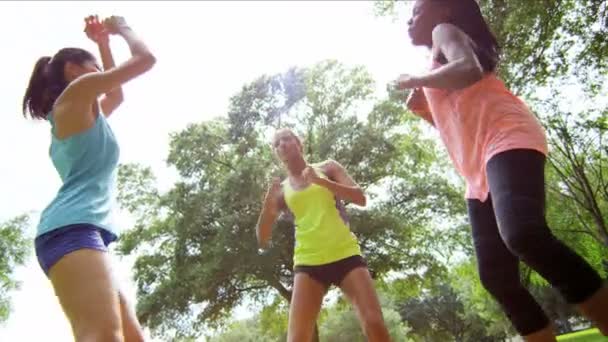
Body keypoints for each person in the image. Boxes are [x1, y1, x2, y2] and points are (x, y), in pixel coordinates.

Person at [395, 0, 608, 340]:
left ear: (444, 11)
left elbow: (470, 69)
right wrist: (424, 109)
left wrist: (417, 80)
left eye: (417, 11)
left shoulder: (444, 32)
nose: (410, 20)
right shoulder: (436, 57)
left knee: (523, 233)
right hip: (478, 167)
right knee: (496, 276)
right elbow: (456, 122)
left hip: (506, 136)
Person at [22, 15, 156, 342]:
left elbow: (116, 95)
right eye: (94, 65)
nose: (99, 71)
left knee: (133, 338)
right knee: (102, 335)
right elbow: (145, 60)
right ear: (72, 70)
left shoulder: (82, 116)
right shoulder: (75, 97)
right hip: (70, 229)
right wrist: (123, 27)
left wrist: (102, 45)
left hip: (83, 231)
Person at [256, 128, 391, 342]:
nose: (282, 144)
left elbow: (360, 198)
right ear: (276, 153)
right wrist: (267, 209)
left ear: (298, 143)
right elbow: (262, 239)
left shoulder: (328, 167)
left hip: (346, 254)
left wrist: (322, 183)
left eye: (286, 138)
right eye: (276, 143)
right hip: (308, 262)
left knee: (374, 323)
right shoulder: (281, 191)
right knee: (297, 339)